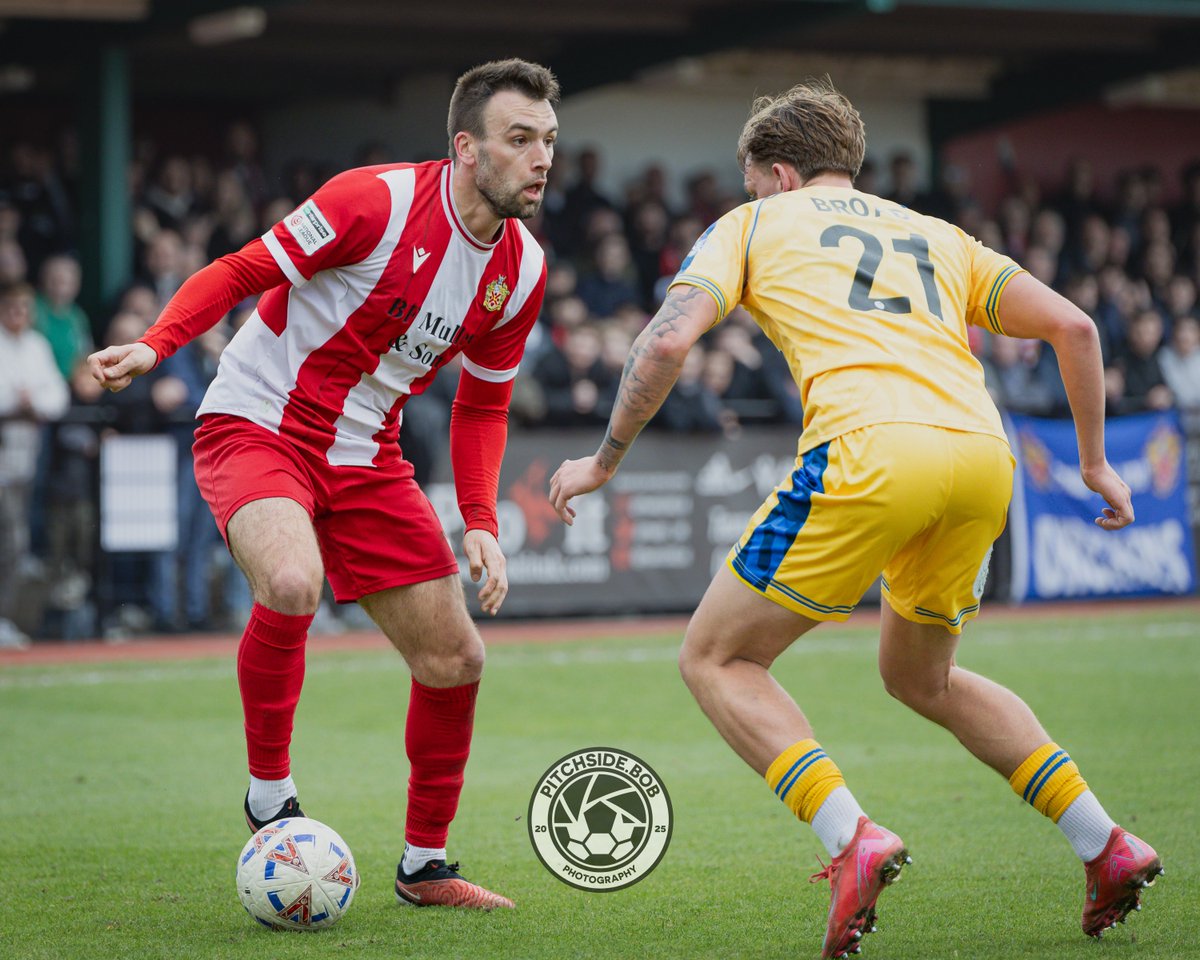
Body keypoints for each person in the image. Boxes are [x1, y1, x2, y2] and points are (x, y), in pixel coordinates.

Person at [549, 79, 1162, 958]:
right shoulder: (940, 235)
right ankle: (1105, 844)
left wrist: (603, 460)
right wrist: (1095, 462)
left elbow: (667, 340)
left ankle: (850, 838)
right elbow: (1074, 327)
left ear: (782, 174)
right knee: (925, 680)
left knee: (716, 656)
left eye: (755, 183)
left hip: (869, 450)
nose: (753, 197)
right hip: (981, 459)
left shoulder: (753, 224)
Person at [88, 58, 560, 911]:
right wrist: (158, 344)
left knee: (456, 659)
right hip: (258, 420)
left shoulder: (521, 271)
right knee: (295, 583)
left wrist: (481, 518)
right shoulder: (372, 202)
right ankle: (269, 794)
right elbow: (238, 272)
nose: (540, 159)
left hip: (367, 455)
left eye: (549, 141)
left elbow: (483, 409)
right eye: (519, 139)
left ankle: (425, 867)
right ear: (465, 148)